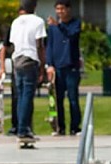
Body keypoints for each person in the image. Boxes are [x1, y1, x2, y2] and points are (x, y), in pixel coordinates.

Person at [0, 0, 47, 142]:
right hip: (30, 58)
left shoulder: (15, 22)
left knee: (20, 95)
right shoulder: (38, 21)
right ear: (35, 7)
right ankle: (24, 129)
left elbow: (12, 44)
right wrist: (42, 65)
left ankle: (20, 126)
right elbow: (39, 45)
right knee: (27, 94)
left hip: (17, 59)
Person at [45, 0, 82, 136]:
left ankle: (75, 127)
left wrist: (59, 26)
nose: (60, 12)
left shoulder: (75, 24)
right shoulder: (53, 28)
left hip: (71, 67)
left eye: (62, 9)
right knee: (57, 99)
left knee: (73, 98)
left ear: (68, 9)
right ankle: (59, 127)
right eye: (58, 9)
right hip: (57, 67)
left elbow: (72, 35)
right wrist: (49, 65)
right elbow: (49, 46)